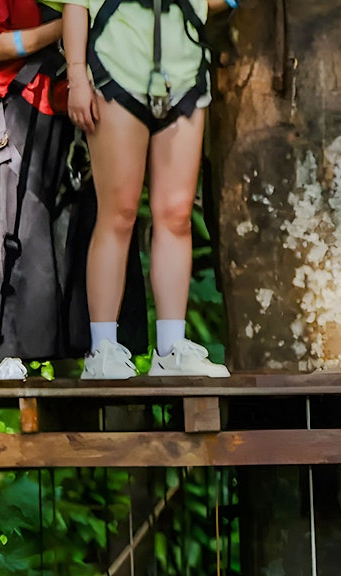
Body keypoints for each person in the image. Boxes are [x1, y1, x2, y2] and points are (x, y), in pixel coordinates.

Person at [58, 0, 231, 379]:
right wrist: (76, 77)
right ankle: (102, 348)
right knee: (118, 214)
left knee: (177, 214)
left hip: (184, 73)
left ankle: (171, 348)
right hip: (116, 70)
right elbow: (75, 5)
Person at [0, 0, 78, 380]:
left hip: (81, 108)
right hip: (25, 103)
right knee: (15, 228)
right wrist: (67, 25)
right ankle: (10, 350)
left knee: (77, 234)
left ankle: (91, 346)